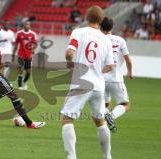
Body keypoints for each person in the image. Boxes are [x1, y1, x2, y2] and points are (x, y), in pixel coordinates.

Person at [61, 6, 114, 159]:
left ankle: (71, 157)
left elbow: (69, 53)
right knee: (100, 121)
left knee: (67, 119)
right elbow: (110, 65)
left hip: (81, 82)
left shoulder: (79, 32)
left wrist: (69, 62)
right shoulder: (106, 39)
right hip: (98, 85)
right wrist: (97, 70)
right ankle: (107, 156)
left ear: (86, 17)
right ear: (101, 20)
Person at [100, 17, 133, 133]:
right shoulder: (120, 40)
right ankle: (111, 116)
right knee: (125, 104)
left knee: (105, 105)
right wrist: (129, 72)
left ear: (100, 27)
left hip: (101, 79)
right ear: (112, 27)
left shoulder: (98, 40)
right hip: (116, 79)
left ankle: (107, 120)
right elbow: (128, 60)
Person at [12, 21, 37, 90]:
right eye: (26, 24)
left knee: (28, 72)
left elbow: (35, 43)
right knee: (20, 69)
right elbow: (16, 45)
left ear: (30, 26)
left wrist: (33, 50)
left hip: (28, 55)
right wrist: (13, 54)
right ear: (23, 25)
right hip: (20, 55)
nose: (27, 25)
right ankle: (20, 86)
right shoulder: (19, 33)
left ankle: (24, 82)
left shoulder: (33, 34)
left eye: (28, 24)